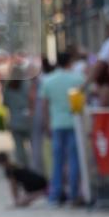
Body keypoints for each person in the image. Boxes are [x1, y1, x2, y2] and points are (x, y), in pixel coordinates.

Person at [41, 49, 83, 207]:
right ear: (70, 62)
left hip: (56, 124)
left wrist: (46, 124)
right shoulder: (78, 78)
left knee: (57, 161)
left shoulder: (48, 80)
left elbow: (44, 105)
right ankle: (73, 195)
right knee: (73, 160)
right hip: (74, 123)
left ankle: (55, 195)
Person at [2, 67, 32, 168]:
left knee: (19, 147)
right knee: (33, 145)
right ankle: (33, 165)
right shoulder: (27, 85)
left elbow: (5, 103)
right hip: (28, 119)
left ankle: (22, 166)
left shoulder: (8, 87)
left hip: (14, 120)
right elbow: (32, 100)